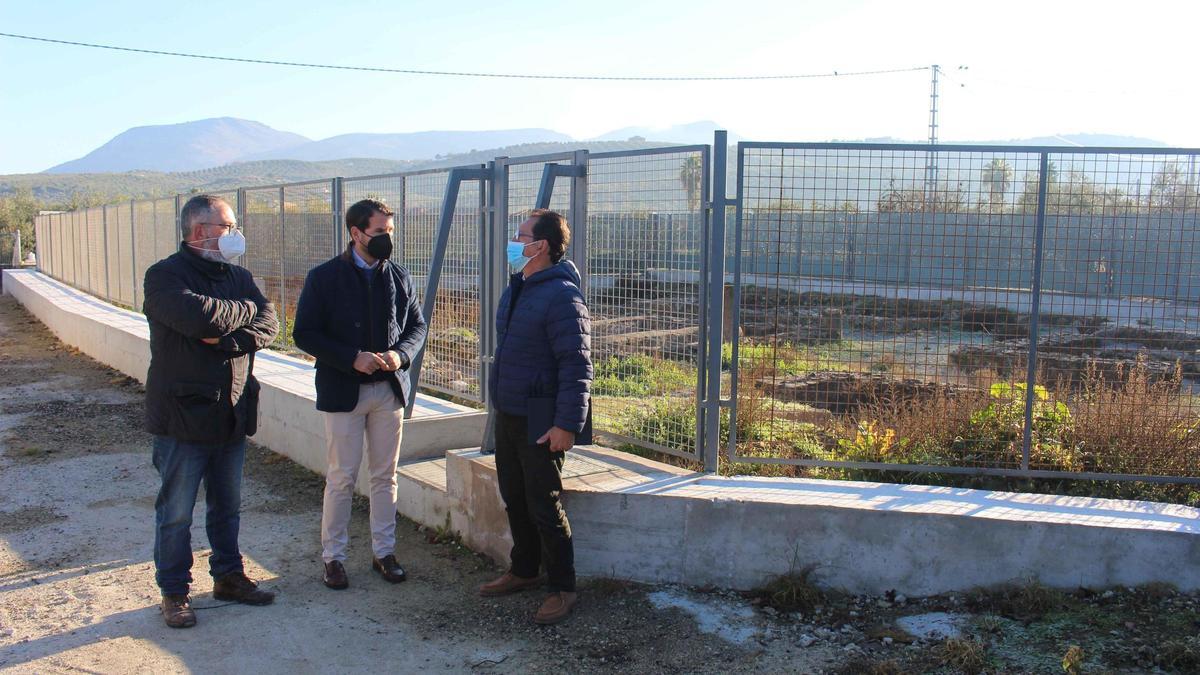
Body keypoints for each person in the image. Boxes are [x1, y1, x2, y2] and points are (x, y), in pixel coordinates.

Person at [142, 194, 279, 629]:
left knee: (228, 506)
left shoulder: (239, 276)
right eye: (229, 226)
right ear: (201, 231)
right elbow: (198, 318)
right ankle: (174, 592)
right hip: (182, 419)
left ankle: (228, 577)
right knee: (177, 512)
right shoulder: (164, 276)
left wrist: (228, 338)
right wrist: (243, 314)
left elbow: (270, 322)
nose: (236, 234)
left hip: (231, 413)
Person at [293, 198, 428, 590]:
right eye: (380, 232)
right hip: (343, 393)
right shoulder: (323, 278)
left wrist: (398, 355)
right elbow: (305, 333)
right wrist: (351, 358)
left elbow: (417, 327)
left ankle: (384, 553)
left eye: (390, 231)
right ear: (356, 233)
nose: (388, 239)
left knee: (385, 476)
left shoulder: (399, 276)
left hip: (388, 392)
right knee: (341, 477)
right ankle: (333, 559)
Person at [478, 209, 592, 625]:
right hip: (509, 411)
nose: (513, 240)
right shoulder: (519, 286)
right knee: (514, 496)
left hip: (542, 418)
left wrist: (566, 424)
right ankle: (524, 570)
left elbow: (576, 365)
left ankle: (563, 587)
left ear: (540, 245)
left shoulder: (563, 296)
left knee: (543, 504)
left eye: (520, 235)